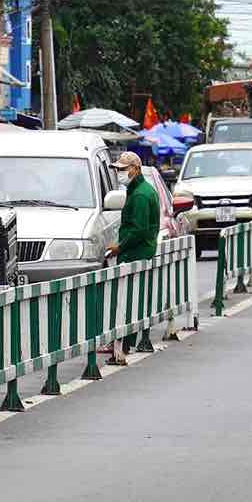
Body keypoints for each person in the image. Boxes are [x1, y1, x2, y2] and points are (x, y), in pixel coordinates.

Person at [105, 151, 160, 353]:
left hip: (136, 252)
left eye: (122, 169)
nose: (119, 173)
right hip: (137, 251)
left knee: (127, 301)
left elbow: (138, 229)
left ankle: (124, 342)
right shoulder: (139, 191)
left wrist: (120, 247)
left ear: (135, 170)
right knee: (131, 299)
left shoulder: (141, 195)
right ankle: (125, 342)